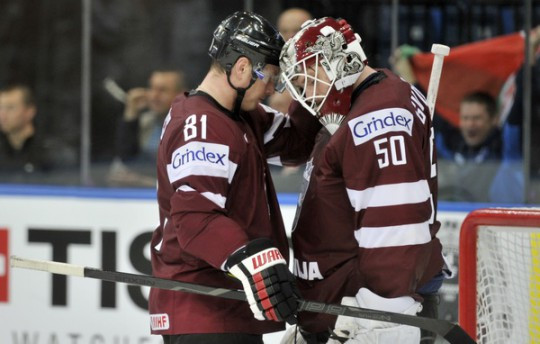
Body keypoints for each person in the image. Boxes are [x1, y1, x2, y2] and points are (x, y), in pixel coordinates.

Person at [148, 11, 321, 344]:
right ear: (242, 68)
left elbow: (297, 143)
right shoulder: (200, 126)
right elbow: (196, 218)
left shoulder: (240, 115)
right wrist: (258, 261)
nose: (272, 89)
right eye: (269, 77)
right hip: (204, 311)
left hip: (226, 310)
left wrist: (309, 81)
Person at [278, 17, 446, 343]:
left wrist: (382, 317)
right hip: (338, 312)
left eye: (310, 79)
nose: (305, 95)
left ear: (344, 61)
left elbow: (397, 226)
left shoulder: (379, 116)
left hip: (370, 315)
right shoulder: (365, 102)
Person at [108, 69, 186, 187]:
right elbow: (124, 158)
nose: (154, 96)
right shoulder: (146, 122)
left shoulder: (191, 127)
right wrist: (131, 112)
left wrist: (141, 182)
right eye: (152, 89)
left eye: (162, 90)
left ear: (181, 94)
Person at [0, 84, 76, 178]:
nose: (2, 115)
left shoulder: (51, 152)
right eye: (0, 108)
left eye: (10, 108)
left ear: (30, 111)